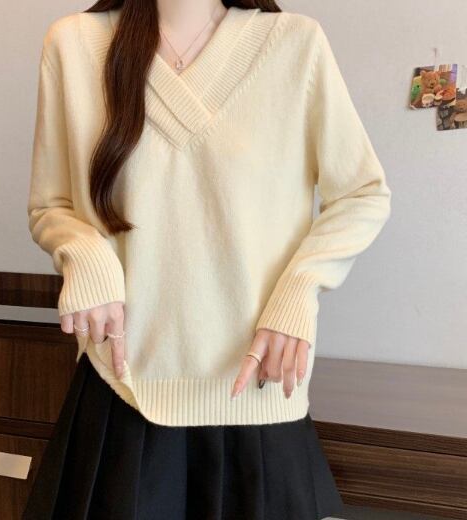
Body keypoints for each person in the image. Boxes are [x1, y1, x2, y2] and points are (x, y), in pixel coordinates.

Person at [22, 0, 391, 518]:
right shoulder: (73, 44)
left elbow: (362, 194)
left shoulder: (294, 44)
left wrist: (300, 290)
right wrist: (84, 251)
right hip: (122, 396)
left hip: (257, 394)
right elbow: (51, 204)